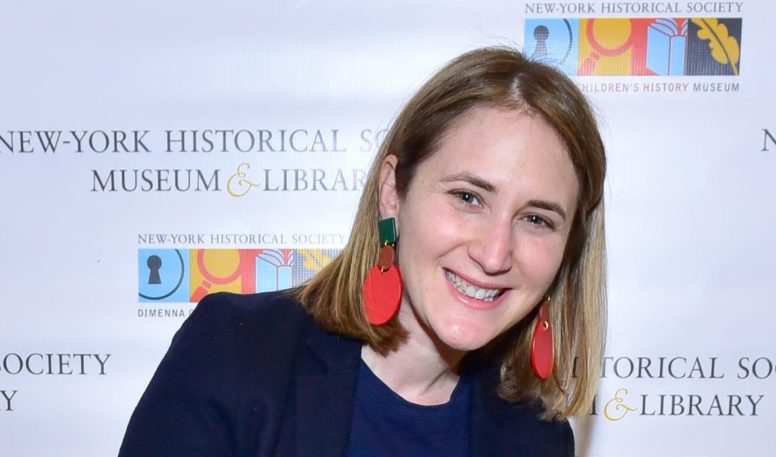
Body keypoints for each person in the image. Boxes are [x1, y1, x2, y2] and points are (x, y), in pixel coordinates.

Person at [119, 46, 606, 457]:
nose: (495, 253)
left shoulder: (538, 438)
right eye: (468, 197)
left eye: (536, 219)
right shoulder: (235, 352)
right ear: (393, 191)